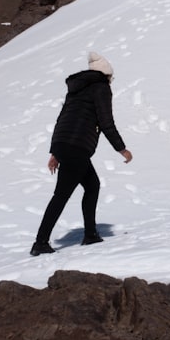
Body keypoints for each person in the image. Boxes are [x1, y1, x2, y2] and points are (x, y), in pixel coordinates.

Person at [30, 52, 133, 256]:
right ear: (106, 74)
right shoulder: (101, 87)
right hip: (77, 146)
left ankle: (91, 234)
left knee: (92, 186)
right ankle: (40, 243)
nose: (111, 81)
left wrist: (55, 151)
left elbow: (62, 118)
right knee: (61, 195)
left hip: (64, 143)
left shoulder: (77, 88)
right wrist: (122, 149)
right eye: (111, 77)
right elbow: (106, 122)